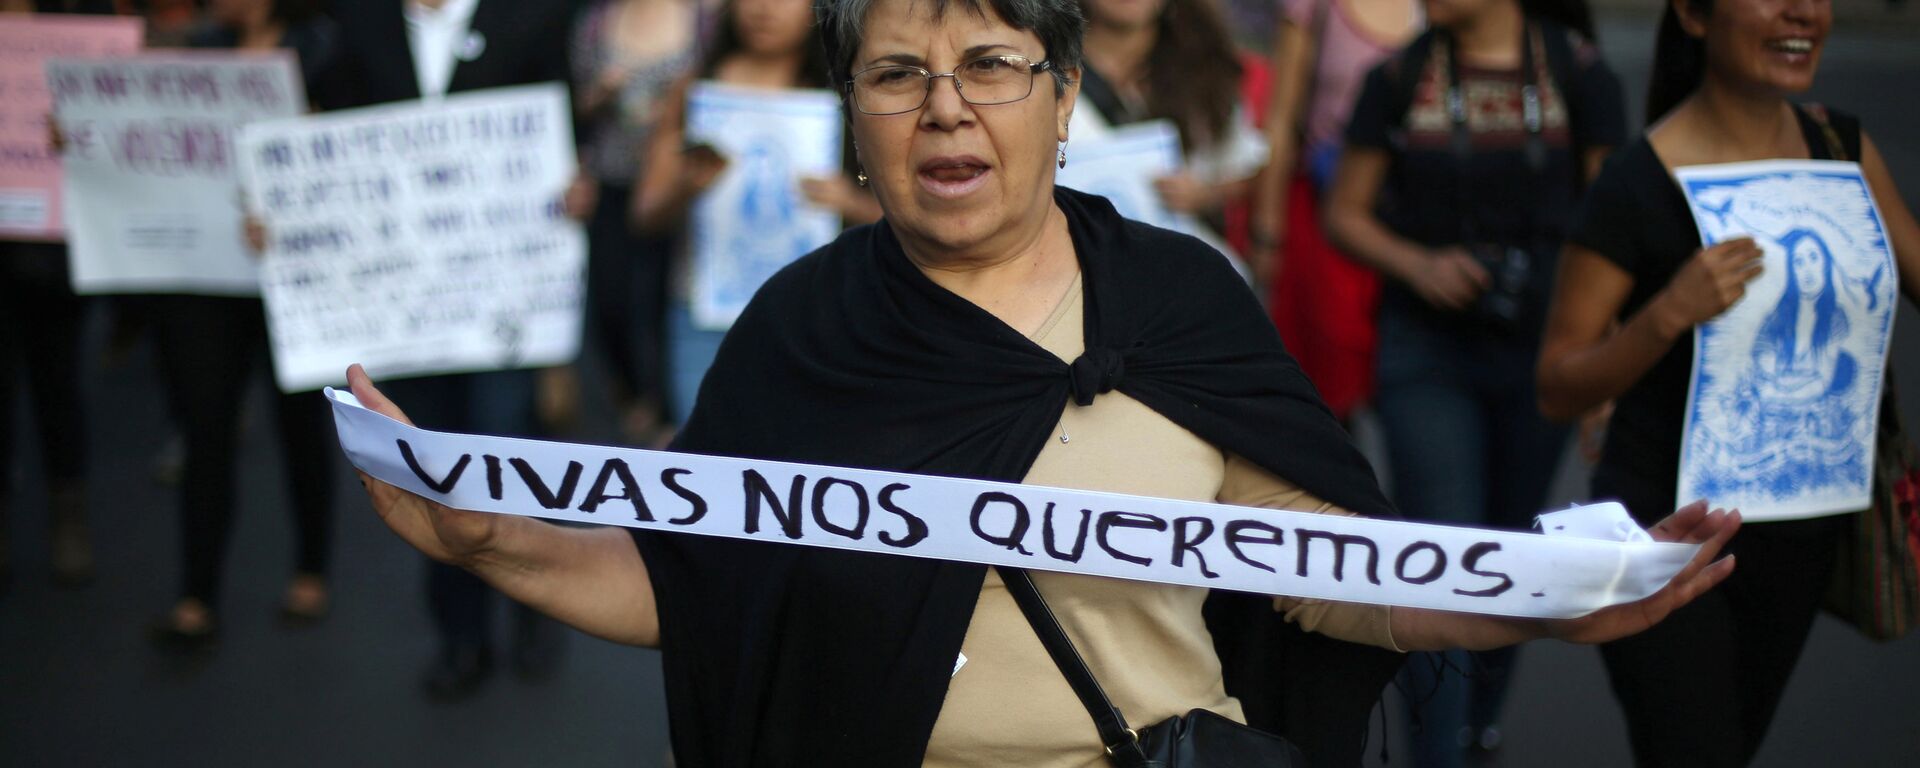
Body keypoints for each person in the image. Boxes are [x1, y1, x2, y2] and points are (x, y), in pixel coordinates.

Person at [346, 0, 1738, 765]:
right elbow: (704, 596)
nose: (944, 103)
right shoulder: (799, 327)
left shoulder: (1183, 301)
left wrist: (1543, 608)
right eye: (896, 73)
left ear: (1064, 97)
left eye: (993, 65)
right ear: (857, 118)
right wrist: (488, 541)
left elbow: (1329, 577)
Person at [1535, 0, 1920, 762]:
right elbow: (1557, 384)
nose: (1803, 11)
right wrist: (1666, 313)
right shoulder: (1636, 182)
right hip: (1665, 541)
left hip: (1802, 537)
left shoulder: (1842, 147)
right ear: (1695, 14)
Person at [1321, 0, 1624, 761]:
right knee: (1446, 557)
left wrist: (1609, 365)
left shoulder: (1578, 72)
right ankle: (1438, 749)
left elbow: (1615, 230)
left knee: (1515, 549)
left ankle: (1474, 719)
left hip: (1546, 348)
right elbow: (1345, 213)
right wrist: (1419, 265)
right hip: (1427, 348)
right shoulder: (1400, 76)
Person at [318, 0, 585, 700]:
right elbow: (324, 142)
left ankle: (540, 605)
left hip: (507, 302)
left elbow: (564, 133)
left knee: (506, 457)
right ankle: (460, 636)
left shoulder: (531, 18)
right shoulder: (360, 23)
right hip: (409, 309)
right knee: (428, 463)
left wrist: (576, 182)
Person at [130, 0, 340, 652]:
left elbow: (355, 153)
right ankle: (197, 593)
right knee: (204, 426)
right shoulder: (190, 51)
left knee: (302, 425)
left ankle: (311, 566)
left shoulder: (328, 50)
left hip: (291, 273)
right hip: (203, 275)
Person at [630, 0, 877, 427]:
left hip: (814, 319)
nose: (764, 8)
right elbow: (644, 215)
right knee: (707, 460)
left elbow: (904, 217)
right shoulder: (695, 90)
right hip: (704, 316)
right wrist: (686, 185)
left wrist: (849, 201)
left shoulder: (845, 92)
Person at [1247, 0, 1421, 423]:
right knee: (1328, 393)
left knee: (1416, 389)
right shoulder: (1313, 7)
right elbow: (1282, 116)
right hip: (1330, 224)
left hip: (1419, 224)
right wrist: (1268, 229)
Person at [0, 0, 117, 593]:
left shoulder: (80, 15)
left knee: (55, 380)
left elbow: (116, 111)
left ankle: (67, 511)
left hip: (55, 240)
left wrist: (78, 128)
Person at [563, 0, 699, 444]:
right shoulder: (596, 22)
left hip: (674, 186)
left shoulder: (704, 18)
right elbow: (568, 107)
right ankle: (631, 393)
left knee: (668, 294)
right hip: (611, 183)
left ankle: (663, 404)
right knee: (612, 297)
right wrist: (598, 96)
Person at [1071, 0, 1267, 263]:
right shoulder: (1041, 68)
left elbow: (1250, 166)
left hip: (1180, 270)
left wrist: (1205, 193)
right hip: (1074, 263)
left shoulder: (1206, 70)